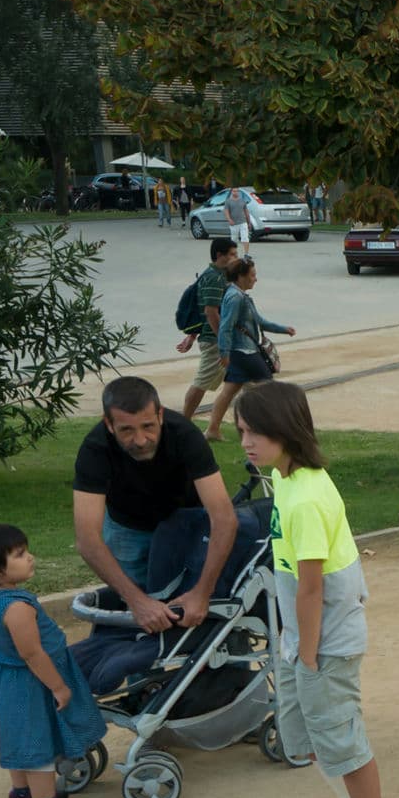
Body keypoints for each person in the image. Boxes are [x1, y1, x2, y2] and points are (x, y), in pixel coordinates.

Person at [233, 382, 398, 798]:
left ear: (285, 431)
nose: (246, 443)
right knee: (311, 736)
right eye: (241, 432)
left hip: (323, 640)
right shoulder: (285, 478)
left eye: (256, 432)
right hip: (302, 637)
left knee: (341, 737)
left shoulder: (305, 498)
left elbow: (311, 588)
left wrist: (307, 655)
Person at [0, 523, 107, 798]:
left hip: (8, 678)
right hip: (33, 681)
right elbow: (32, 653)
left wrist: (2, 676)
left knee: (20, 736)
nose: (30, 557)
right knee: (38, 742)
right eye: (19, 554)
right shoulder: (16, 607)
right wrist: (59, 687)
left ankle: (22, 793)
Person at [73, 377, 241, 634]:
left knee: (203, 614)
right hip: (128, 528)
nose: (140, 440)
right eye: (126, 430)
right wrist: (137, 601)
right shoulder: (94, 449)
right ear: (108, 424)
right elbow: (87, 540)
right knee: (139, 622)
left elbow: (224, 519)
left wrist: (202, 593)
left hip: (186, 524)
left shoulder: (185, 434)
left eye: (148, 426)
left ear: (160, 415)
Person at [207, 256, 293, 440]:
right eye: (252, 275)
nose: (256, 279)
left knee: (229, 391)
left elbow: (259, 321)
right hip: (244, 352)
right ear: (241, 276)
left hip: (241, 352)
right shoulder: (235, 297)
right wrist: (224, 352)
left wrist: (283, 329)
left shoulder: (239, 295)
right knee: (269, 388)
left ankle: (213, 430)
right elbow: (225, 327)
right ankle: (270, 429)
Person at [173, 238, 239, 423]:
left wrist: (192, 336)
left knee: (242, 380)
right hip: (214, 341)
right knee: (202, 382)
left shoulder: (221, 275)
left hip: (222, 338)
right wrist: (224, 341)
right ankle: (183, 424)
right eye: (232, 254)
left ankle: (214, 428)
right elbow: (210, 312)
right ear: (219, 255)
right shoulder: (213, 278)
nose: (236, 258)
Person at [223, 185, 252, 254]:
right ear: (231, 192)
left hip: (243, 222)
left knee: (245, 238)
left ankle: (246, 254)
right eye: (234, 191)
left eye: (237, 191)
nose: (235, 192)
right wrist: (229, 220)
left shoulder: (242, 200)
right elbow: (226, 212)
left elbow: (246, 212)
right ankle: (233, 254)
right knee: (234, 239)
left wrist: (249, 222)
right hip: (234, 223)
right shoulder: (228, 201)